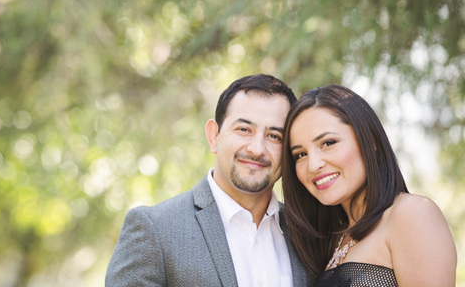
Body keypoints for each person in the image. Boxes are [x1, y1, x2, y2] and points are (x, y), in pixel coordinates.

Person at [106, 74, 311, 287]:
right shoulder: (155, 230)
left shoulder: (308, 235)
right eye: (244, 130)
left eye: (274, 136)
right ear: (214, 136)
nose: (257, 149)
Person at [282, 85, 457, 287]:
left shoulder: (411, 213)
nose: (313, 165)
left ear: (369, 139)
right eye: (300, 155)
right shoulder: (335, 238)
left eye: (328, 143)